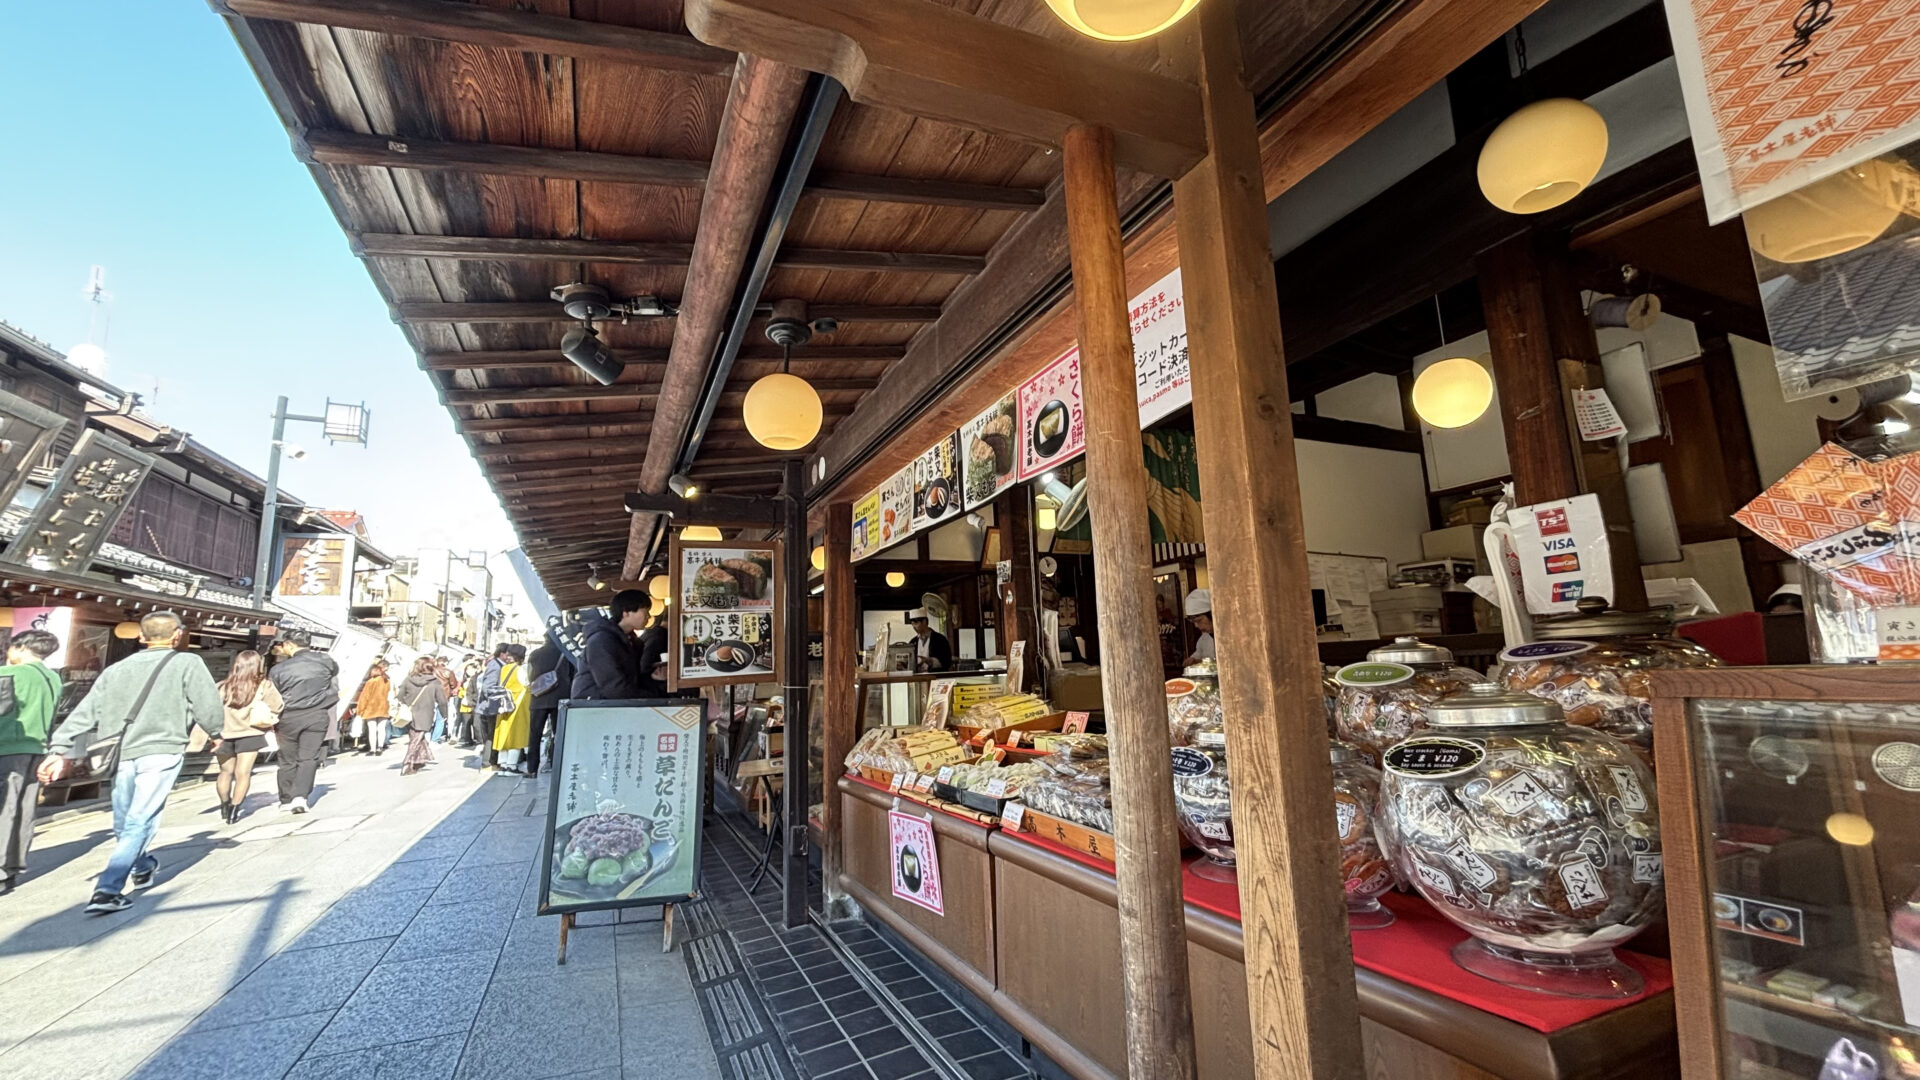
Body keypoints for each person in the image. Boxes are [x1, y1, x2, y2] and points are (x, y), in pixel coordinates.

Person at [38, 612, 222, 915]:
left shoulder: (116, 670)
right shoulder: (187, 663)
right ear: (177, 636)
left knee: (127, 818)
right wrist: (215, 732)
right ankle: (113, 886)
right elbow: (207, 702)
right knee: (136, 818)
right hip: (163, 748)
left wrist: (59, 747)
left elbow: (87, 711)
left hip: (121, 751)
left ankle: (129, 871)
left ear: (141, 637)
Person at [0, 629, 63, 894]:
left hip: (7, 747)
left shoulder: (10, 674)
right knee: (24, 809)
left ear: (21, 648)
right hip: (38, 748)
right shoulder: (53, 678)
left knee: (5, 807)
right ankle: (12, 866)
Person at [268, 629, 340, 814]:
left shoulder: (278, 670)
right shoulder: (326, 661)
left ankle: (286, 798)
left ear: (289, 645)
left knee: (287, 758)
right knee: (309, 757)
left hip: (288, 717)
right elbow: (334, 675)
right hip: (317, 714)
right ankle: (300, 796)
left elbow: (273, 695)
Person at [215, 650, 280, 825]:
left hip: (224, 734)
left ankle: (224, 805)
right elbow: (278, 705)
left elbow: (211, 710)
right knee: (243, 773)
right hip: (250, 733)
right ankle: (235, 812)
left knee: (225, 772)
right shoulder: (264, 685)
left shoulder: (222, 686)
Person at [571, 590, 648, 700]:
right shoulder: (601, 640)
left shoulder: (634, 642)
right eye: (645, 611)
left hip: (612, 702)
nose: (648, 616)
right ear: (625, 612)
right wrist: (652, 696)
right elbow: (613, 687)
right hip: (591, 705)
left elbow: (632, 681)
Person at [525, 636, 571, 775]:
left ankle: (532, 769)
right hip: (561, 698)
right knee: (560, 734)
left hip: (539, 697)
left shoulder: (535, 654)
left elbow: (530, 675)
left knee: (535, 734)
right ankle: (558, 766)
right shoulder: (566, 653)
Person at [397, 657, 447, 776]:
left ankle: (420, 761)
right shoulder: (434, 682)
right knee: (416, 740)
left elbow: (400, 697)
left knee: (416, 738)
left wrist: (407, 704)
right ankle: (407, 763)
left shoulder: (408, 679)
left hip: (409, 714)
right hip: (425, 714)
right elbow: (442, 701)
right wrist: (444, 714)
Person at [491, 644, 532, 774]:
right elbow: (527, 684)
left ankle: (502, 765)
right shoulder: (522, 669)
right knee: (516, 736)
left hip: (504, 706)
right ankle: (511, 766)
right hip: (518, 707)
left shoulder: (504, 668)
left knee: (503, 735)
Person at [472, 643, 513, 767]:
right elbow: (487, 688)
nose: (509, 656)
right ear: (502, 653)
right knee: (491, 735)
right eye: (508, 653)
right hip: (490, 707)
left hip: (492, 706)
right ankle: (488, 761)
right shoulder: (495, 666)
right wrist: (498, 699)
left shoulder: (499, 665)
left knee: (493, 735)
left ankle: (490, 761)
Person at [353, 660, 392, 756]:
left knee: (372, 729)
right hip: (383, 707)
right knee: (381, 728)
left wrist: (360, 710)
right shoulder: (387, 681)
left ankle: (372, 749)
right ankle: (380, 747)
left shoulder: (370, 682)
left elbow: (364, 697)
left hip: (371, 708)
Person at [908, 607, 952, 673]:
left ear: (924, 622)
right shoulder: (913, 642)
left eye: (916, 623)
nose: (914, 627)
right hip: (917, 678)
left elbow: (947, 662)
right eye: (912, 624)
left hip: (935, 677)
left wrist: (929, 661)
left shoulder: (940, 639)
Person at [1184, 589, 1215, 665]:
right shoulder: (1203, 638)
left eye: (1199, 621)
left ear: (1211, 614)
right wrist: (1193, 660)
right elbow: (1199, 653)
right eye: (1194, 622)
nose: (1196, 626)